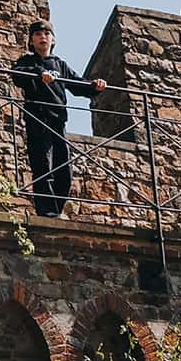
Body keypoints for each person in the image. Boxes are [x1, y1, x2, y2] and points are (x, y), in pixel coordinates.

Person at [10, 20, 106, 217]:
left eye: (46, 33)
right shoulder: (27, 62)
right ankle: (46, 211)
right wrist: (39, 73)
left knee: (64, 170)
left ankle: (56, 208)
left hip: (58, 120)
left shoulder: (59, 64)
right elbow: (17, 75)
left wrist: (94, 86)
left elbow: (77, 84)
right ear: (31, 40)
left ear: (53, 39)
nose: (42, 37)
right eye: (37, 34)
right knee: (43, 166)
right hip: (38, 118)